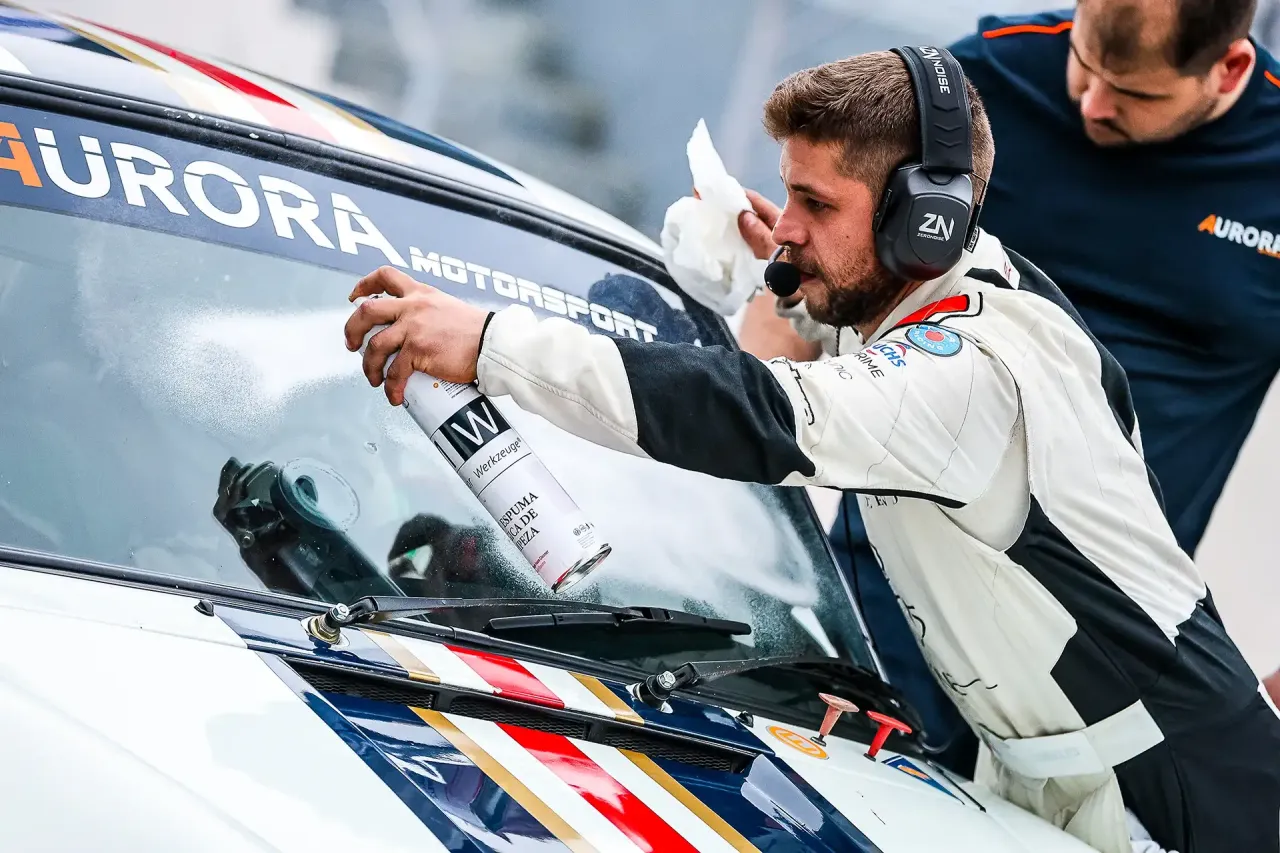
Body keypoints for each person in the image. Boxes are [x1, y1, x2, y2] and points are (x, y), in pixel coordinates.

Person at [343, 46, 1280, 853]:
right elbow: (854, 339)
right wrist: (779, 265)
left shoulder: (968, 373)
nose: (787, 224)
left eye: (814, 201)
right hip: (1076, 769)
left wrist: (490, 342)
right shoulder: (962, 291)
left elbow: (754, 411)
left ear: (923, 221)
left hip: (1179, 800)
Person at [735, 0, 1280, 769]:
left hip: (1091, 663)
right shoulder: (975, 89)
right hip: (887, 607)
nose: (1093, 104)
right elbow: (801, 284)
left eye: (1133, 92)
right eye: (1084, 64)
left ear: (1230, 67)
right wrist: (745, 487)